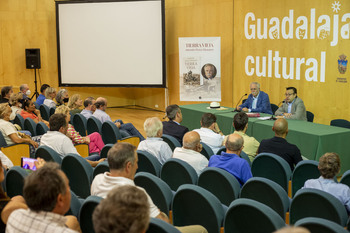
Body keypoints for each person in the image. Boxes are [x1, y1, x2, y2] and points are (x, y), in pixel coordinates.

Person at [91, 142, 207, 233]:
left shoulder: (97, 180)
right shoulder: (136, 193)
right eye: (136, 162)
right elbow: (164, 225)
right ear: (128, 166)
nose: (137, 166)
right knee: (201, 229)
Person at [3, 162, 81, 233]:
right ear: (60, 199)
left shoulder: (14, 217)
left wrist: (41, 176)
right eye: (68, 186)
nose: (69, 189)